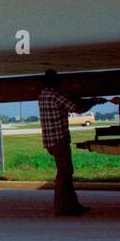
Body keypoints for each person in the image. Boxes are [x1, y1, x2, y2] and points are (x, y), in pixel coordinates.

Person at [37, 70, 104, 217]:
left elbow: (70, 102)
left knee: (66, 173)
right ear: (56, 82)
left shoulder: (43, 95)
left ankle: (73, 205)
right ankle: (61, 207)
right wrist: (94, 101)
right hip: (59, 140)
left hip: (50, 141)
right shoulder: (55, 95)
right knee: (64, 174)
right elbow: (76, 108)